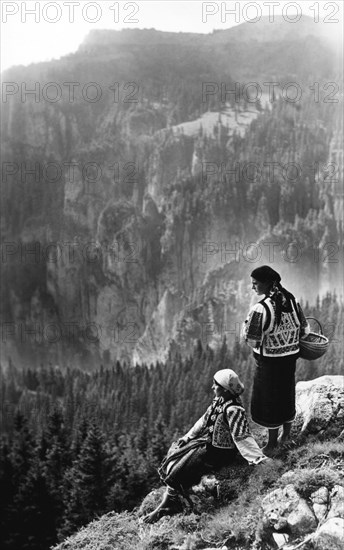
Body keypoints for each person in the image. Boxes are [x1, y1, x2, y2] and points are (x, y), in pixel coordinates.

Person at [142, 368, 268, 523]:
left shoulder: (234, 410)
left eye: (215, 385)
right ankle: (169, 501)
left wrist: (257, 458)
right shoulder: (219, 401)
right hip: (208, 444)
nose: (212, 387)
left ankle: (167, 505)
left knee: (181, 468)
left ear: (225, 389)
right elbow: (203, 420)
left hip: (220, 454)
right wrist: (188, 437)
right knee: (176, 453)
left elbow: (242, 436)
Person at [242, 265, 310, 452]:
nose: (253, 287)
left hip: (269, 363)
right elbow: (305, 330)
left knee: (269, 400)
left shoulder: (261, 308)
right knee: (286, 395)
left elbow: (253, 341)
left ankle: (271, 444)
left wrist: (245, 327)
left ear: (266, 284)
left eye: (255, 284)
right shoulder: (292, 301)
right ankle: (285, 436)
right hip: (289, 359)